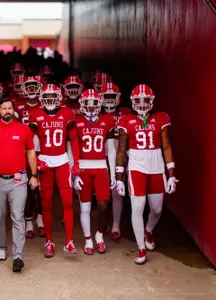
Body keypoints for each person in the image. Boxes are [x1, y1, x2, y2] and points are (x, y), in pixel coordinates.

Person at [116, 84, 178, 264]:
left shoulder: (161, 118)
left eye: (145, 100)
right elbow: (121, 150)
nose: (142, 104)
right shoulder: (126, 120)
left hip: (156, 166)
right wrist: (119, 178)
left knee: (157, 210)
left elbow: (166, 146)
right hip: (136, 166)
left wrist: (171, 173)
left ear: (152, 101)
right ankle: (141, 249)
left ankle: (148, 230)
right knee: (138, 206)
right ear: (132, 102)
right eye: (138, 100)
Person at [0, 98, 39, 273]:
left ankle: (18, 255)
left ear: (13, 110)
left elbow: (31, 153)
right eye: (3, 108)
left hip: (18, 179)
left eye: (9, 108)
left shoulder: (24, 129)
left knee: (17, 216)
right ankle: (1, 247)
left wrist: (34, 175)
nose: (7, 111)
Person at [29, 84, 80, 258]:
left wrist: (76, 163)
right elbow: (31, 142)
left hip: (62, 160)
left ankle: (69, 240)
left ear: (59, 98)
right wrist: (36, 162)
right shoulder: (36, 114)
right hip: (45, 160)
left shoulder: (67, 114)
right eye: (47, 97)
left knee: (67, 202)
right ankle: (49, 241)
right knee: (47, 204)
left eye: (53, 97)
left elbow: (73, 140)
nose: (50, 101)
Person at [73, 89, 116, 255]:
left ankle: (99, 235)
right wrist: (74, 172)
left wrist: (112, 173)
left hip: (100, 166)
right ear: (82, 105)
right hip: (83, 166)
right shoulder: (76, 121)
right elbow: (72, 148)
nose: (90, 108)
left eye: (94, 104)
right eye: (87, 104)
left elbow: (111, 149)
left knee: (103, 205)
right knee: (84, 207)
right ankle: (88, 239)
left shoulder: (107, 120)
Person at [99, 82, 131, 241]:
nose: (110, 100)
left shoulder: (126, 114)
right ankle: (103, 221)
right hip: (100, 154)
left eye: (113, 96)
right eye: (107, 97)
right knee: (103, 190)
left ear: (118, 98)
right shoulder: (96, 113)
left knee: (117, 189)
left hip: (120, 154)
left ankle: (116, 224)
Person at [16, 75, 45, 238]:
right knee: (25, 188)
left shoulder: (44, 104)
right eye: (29, 86)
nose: (32, 90)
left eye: (35, 86)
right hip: (23, 150)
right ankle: (28, 222)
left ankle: (40, 219)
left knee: (40, 188)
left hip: (41, 149)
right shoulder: (18, 105)